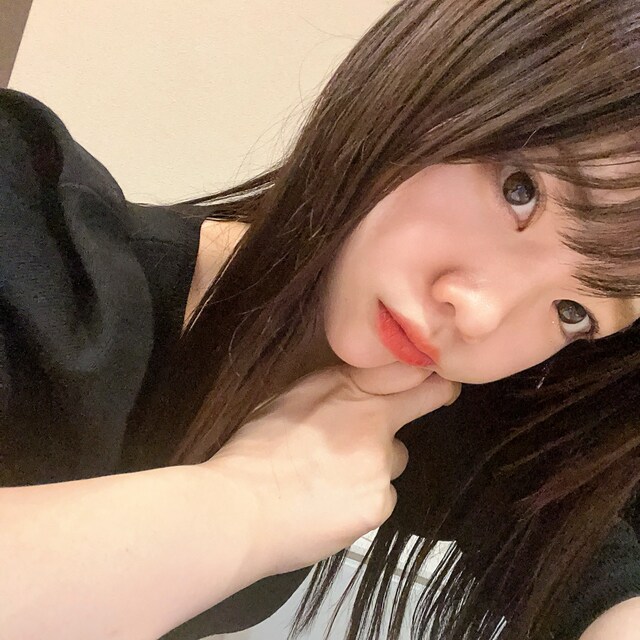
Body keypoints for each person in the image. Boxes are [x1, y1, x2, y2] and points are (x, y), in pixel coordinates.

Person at [1, 0, 640, 639]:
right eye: (520, 190)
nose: (480, 315)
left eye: (574, 312)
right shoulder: (31, 230)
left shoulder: (413, 414)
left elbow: (589, 558)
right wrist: (250, 504)